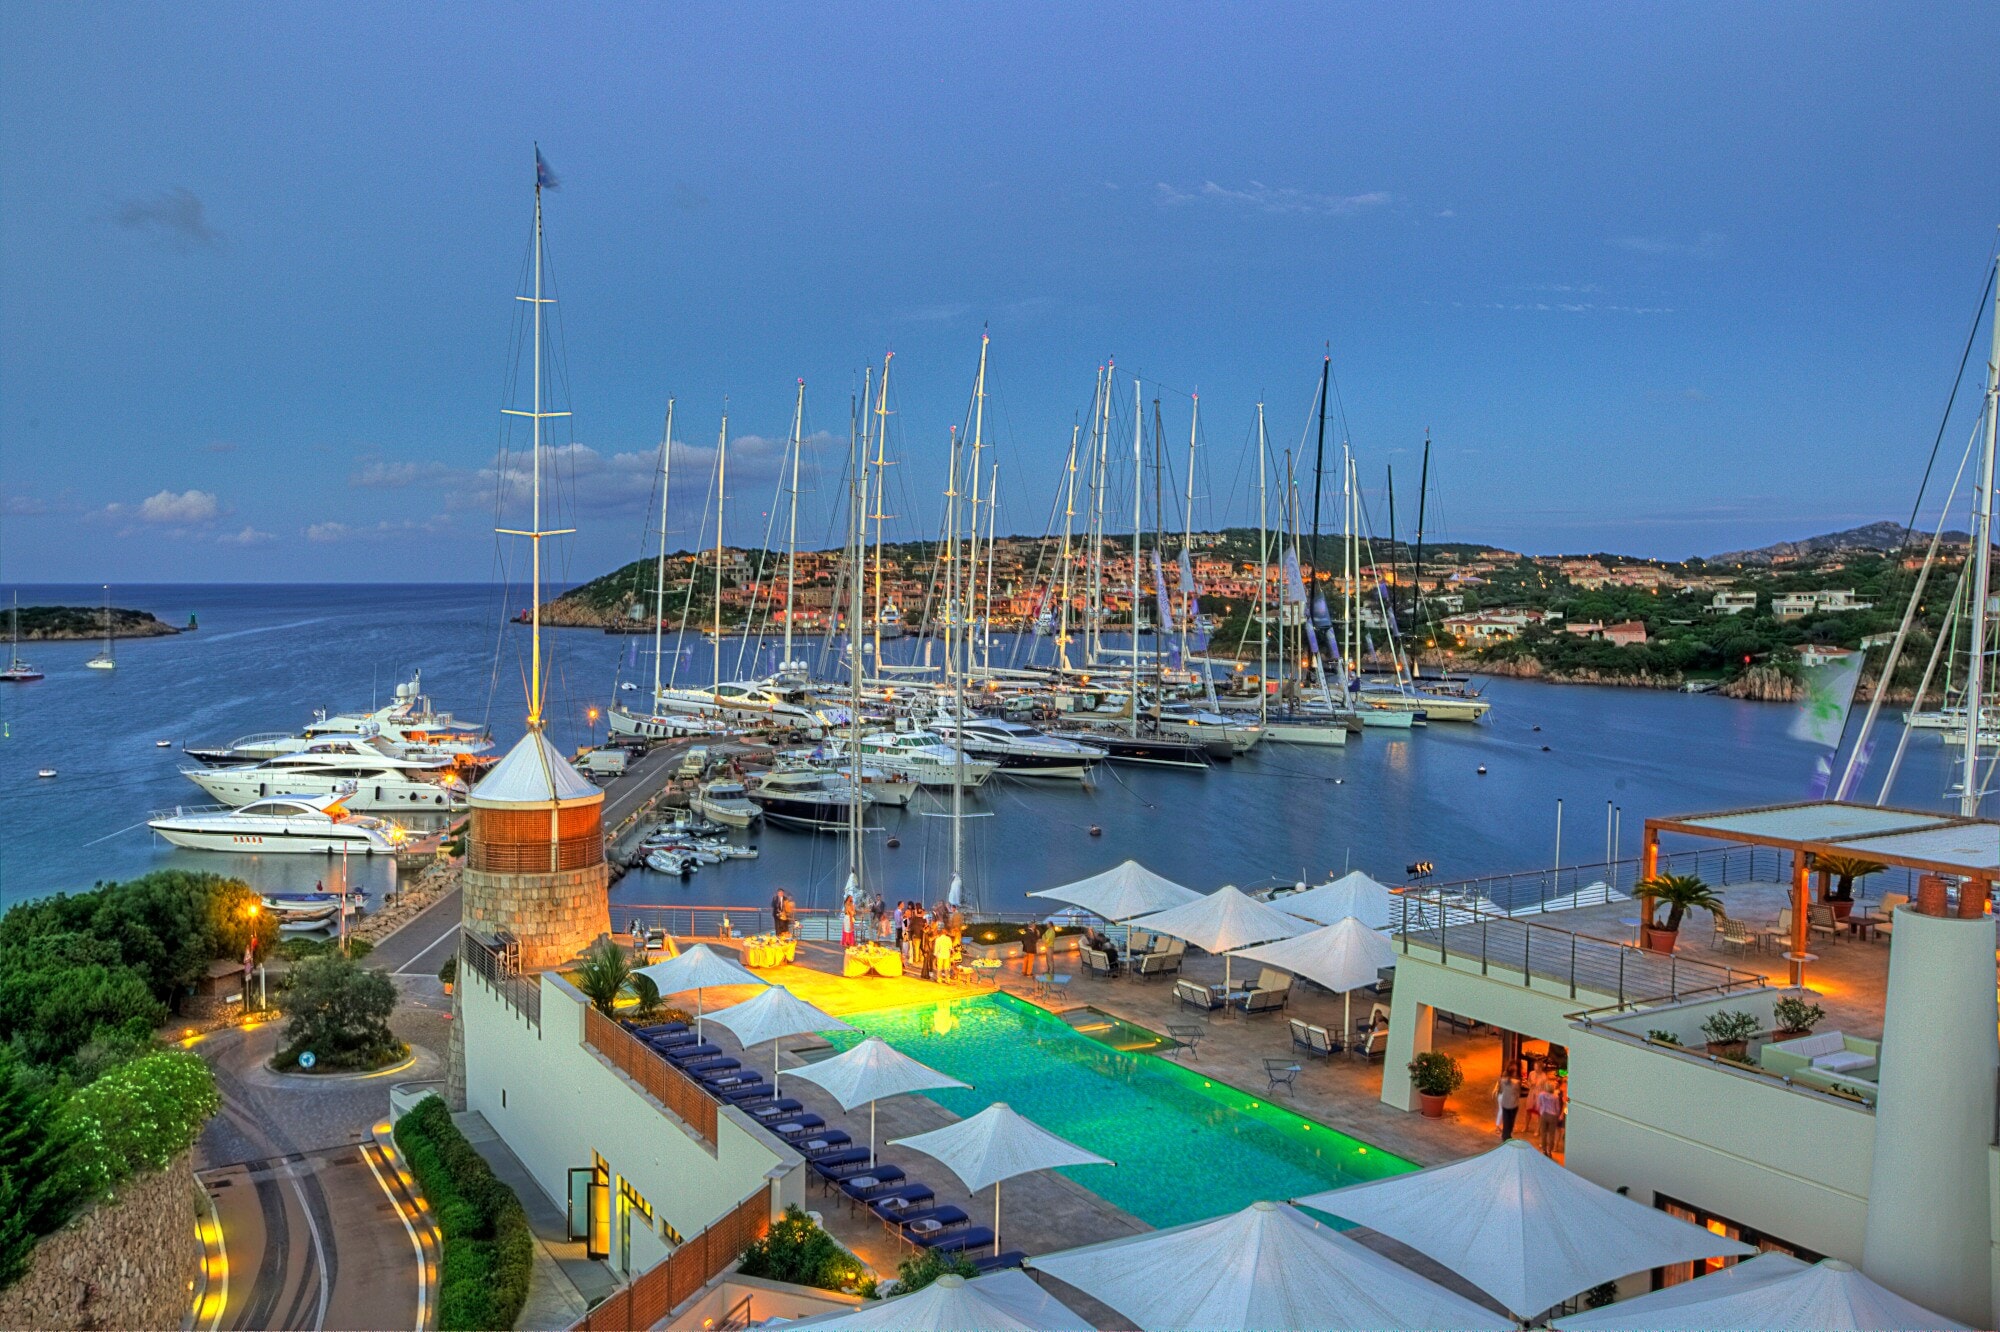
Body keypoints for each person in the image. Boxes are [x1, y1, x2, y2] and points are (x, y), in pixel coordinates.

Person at [1536, 1081, 1564, 1156]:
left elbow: (1538, 1105)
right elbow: (1557, 1108)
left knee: (1543, 1133)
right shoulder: (1555, 1097)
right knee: (1552, 1134)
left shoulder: (1541, 1094)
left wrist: (1540, 1112)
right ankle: (1550, 1151)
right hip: (1553, 1116)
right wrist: (1557, 1116)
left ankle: (1544, 1150)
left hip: (1544, 1114)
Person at [1495, 1068, 1522, 1142]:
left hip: (1505, 1104)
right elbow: (1518, 1093)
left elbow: (1500, 1090)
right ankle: (1507, 1136)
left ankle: (1505, 1136)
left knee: (1506, 1120)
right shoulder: (1516, 1083)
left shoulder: (1502, 1081)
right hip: (1513, 1105)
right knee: (1510, 1121)